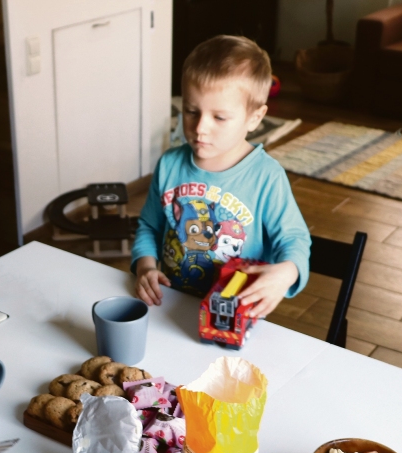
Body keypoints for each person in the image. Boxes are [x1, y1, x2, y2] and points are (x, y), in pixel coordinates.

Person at [132, 35, 311, 318]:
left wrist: (287, 272)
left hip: (231, 315)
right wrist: (145, 267)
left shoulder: (266, 177)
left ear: (254, 118)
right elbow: (148, 227)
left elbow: (295, 239)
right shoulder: (169, 164)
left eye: (219, 117)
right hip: (168, 306)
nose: (200, 128)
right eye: (191, 111)